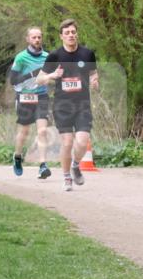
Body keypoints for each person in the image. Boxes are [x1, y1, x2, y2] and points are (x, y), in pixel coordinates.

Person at [36, 19, 99, 192]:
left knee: (82, 141)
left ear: (77, 33)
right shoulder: (55, 56)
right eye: (67, 33)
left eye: (73, 32)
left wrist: (94, 81)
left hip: (83, 105)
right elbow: (39, 79)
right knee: (68, 142)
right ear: (61, 36)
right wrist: (52, 75)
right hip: (62, 106)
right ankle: (66, 177)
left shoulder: (87, 54)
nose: (71, 35)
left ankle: (76, 165)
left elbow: (93, 73)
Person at [9, 26, 52, 179]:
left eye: (39, 37)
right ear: (27, 39)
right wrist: (33, 74)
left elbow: (51, 76)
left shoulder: (48, 56)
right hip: (24, 97)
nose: (37, 40)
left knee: (42, 131)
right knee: (24, 132)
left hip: (41, 97)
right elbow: (13, 81)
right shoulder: (21, 58)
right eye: (33, 37)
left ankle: (42, 165)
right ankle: (17, 156)